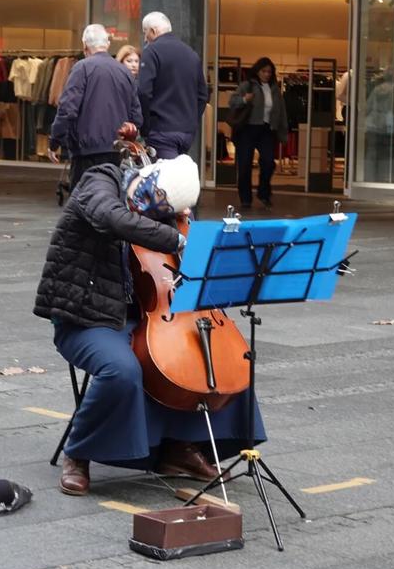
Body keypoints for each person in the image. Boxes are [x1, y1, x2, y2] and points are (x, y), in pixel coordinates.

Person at [33, 154, 266, 495]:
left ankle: (181, 448)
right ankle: (79, 452)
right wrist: (176, 239)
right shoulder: (99, 182)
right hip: (88, 317)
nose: (155, 213)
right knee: (122, 370)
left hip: (151, 314)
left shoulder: (166, 215)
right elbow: (112, 218)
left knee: (222, 359)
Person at [47, 24, 142, 191]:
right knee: (111, 200)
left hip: (86, 151)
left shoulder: (82, 68)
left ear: (85, 46)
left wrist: (55, 141)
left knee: (83, 202)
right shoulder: (125, 72)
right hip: (116, 151)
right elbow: (136, 116)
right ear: (107, 44)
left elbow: (67, 109)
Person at [138, 12, 208, 159]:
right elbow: (202, 95)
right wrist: (191, 121)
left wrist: (145, 127)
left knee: (163, 179)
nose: (145, 39)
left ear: (153, 31)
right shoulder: (191, 54)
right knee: (178, 178)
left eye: (145, 33)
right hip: (186, 132)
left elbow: (144, 92)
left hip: (161, 130)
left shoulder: (151, 51)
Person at [229, 57, 288, 210]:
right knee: (245, 165)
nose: (267, 74)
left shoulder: (274, 89)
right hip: (248, 129)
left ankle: (263, 192)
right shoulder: (247, 85)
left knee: (269, 162)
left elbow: (281, 112)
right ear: (257, 71)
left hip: (267, 130)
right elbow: (232, 101)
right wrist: (244, 99)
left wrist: (282, 132)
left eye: (269, 71)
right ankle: (245, 199)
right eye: (264, 71)